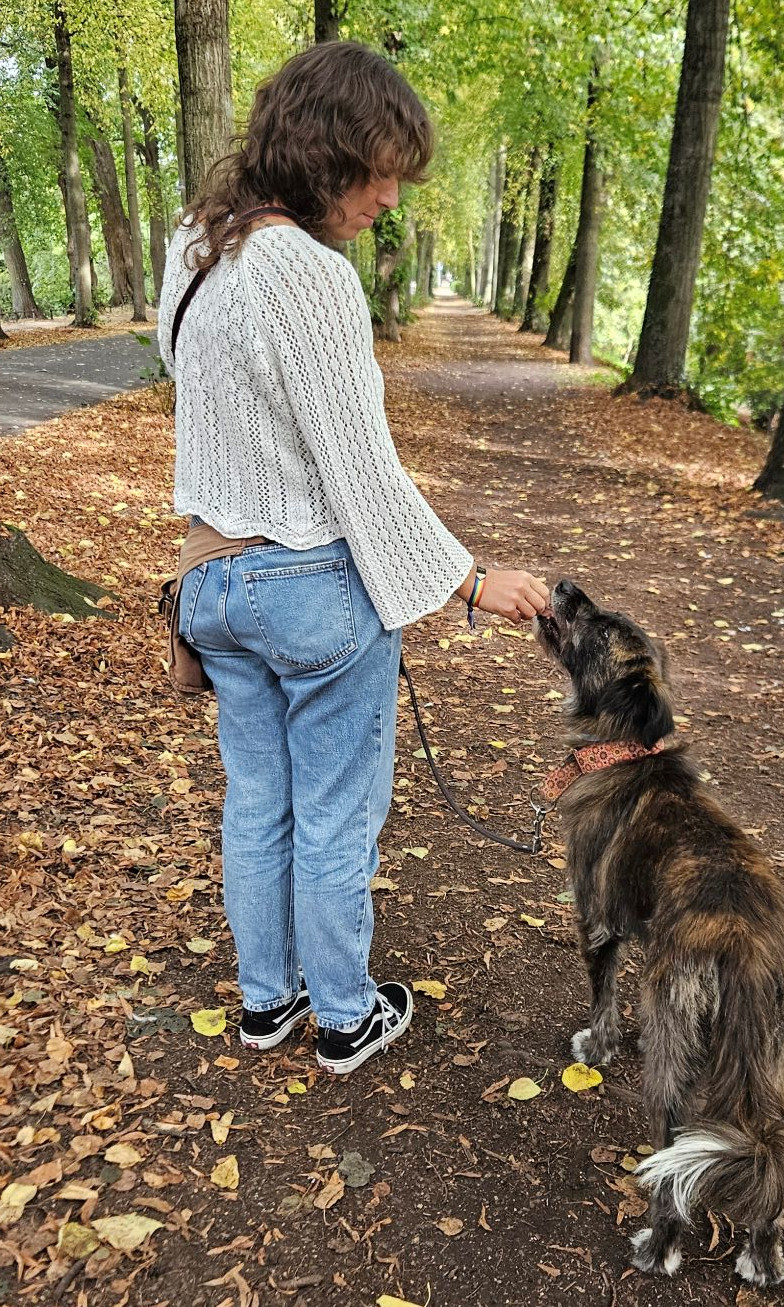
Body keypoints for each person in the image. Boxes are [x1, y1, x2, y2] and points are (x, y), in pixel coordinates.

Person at [157, 41, 548, 1075]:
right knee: (334, 815)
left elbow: (220, 419)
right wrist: (471, 580)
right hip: (309, 589)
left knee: (257, 802)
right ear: (324, 152)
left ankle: (264, 1002)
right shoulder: (309, 276)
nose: (387, 196)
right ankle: (342, 1015)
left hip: (211, 584)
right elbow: (359, 473)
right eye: (378, 171)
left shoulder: (192, 251)